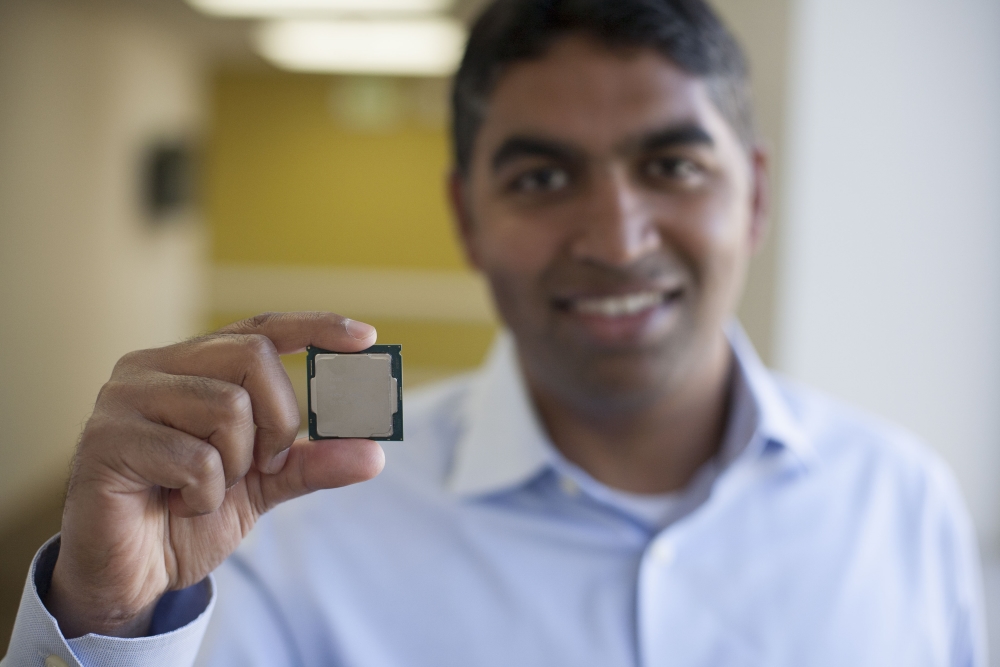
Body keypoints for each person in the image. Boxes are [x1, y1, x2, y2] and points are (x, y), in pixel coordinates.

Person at [3, 0, 987, 665]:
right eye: (542, 177)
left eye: (673, 167)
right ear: (467, 217)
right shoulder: (293, 532)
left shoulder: (902, 504)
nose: (616, 239)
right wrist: (114, 622)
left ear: (756, 195)